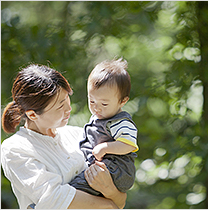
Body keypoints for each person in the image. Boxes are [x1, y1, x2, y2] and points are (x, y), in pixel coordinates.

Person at [1, 64, 126, 209]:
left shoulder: (79, 135)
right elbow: (53, 197)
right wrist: (110, 204)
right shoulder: (15, 149)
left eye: (67, 98)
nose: (69, 108)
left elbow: (120, 199)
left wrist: (110, 189)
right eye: (60, 106)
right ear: (32, 114)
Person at [69, 58, 138, 196]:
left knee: (77, 186)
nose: (96, 108)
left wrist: (106, 147)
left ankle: (50, 203)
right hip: (102, 166)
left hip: (117, 170)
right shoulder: (99, 116)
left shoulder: (120, 122)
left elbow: (129, 144)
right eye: (92, 101)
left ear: (122, 101)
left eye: (104, 104)